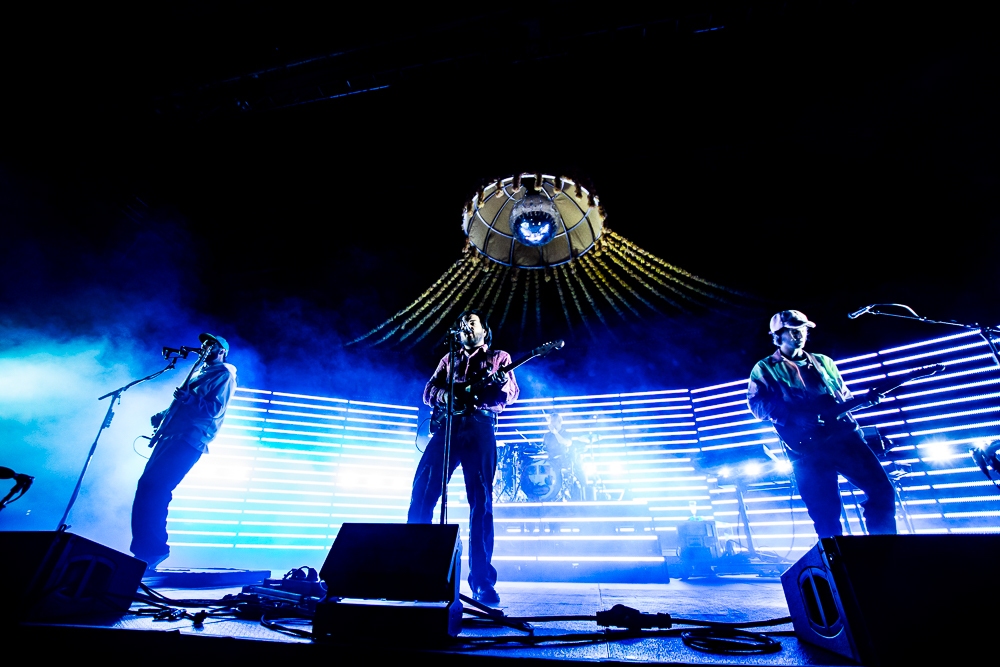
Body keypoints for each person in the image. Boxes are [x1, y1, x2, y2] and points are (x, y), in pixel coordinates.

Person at [747, 310, 897, 538]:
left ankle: (884, 548)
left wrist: (865, 401)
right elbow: (757, 404)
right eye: (794, 331)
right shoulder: (765, 368)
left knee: (882, 490)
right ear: (779, 335)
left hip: (845, 439)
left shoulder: (824, 362)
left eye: (803, 330)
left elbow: (843, 398)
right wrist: (792, 417)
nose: (800, 335)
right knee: (824, 512)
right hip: (806, 449)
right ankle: (839, 566)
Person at [407, 310, 519, 606]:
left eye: (473, 322)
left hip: (480, 426)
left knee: (481, 501)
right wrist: (449, 396)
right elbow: (429, 390)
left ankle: (481, 581)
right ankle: (416, 573)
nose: (466, 326)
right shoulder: (449, 359)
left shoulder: (499, 358)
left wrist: (496, 386)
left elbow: (510, 394)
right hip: (448, 428)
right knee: (421, 493)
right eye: (462, 324)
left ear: (485, 330)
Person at [130, 333, 237, 570]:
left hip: (190, 439)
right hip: (171, 436)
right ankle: (145, 551)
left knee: (156, 489)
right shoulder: (199, 373)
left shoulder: (224, 374)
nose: (204, 347)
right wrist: (164, 415)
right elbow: (183, 404)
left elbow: (214, 411)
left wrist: (189, 399)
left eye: (210, 344)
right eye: (204, 343)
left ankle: (153, 550)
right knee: (147, 487)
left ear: (221, 350)